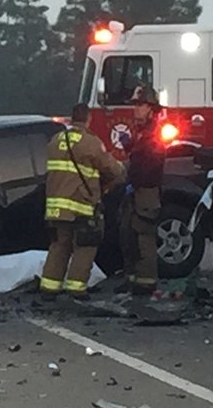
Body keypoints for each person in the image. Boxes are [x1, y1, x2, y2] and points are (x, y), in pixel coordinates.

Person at [40, 104, 124, 301]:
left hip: (56, 207)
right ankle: (76, 289)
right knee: (85, 246)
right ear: (88, 119)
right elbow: (112, 169)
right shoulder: (90, 143)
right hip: (80, 204)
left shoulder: (55, 140)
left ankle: (49, 287)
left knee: (59, 246)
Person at [117, 85, 165, 296]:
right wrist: (129, 147)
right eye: (134, 105)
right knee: (128, 235)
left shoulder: (154, 134)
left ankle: (146, 283)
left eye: (139, 105)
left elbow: (148, 164)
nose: (135, 109)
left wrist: (132, 180)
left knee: (144, 237)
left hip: (145, 191)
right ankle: (132, 279)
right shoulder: (142, 132)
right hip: (135, 191)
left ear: (151, 108)